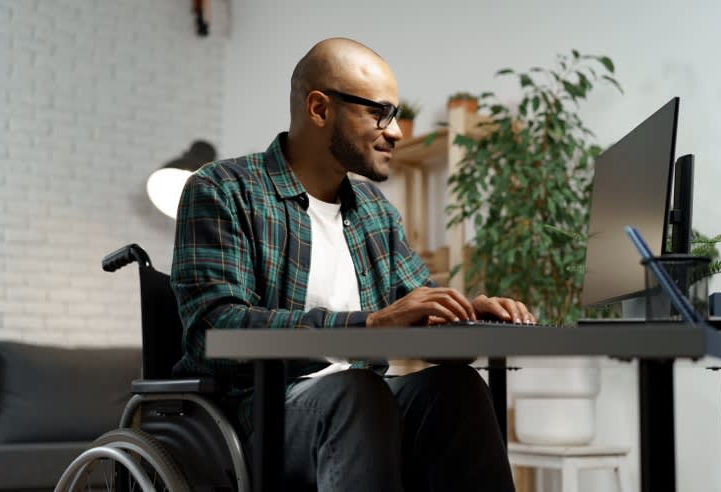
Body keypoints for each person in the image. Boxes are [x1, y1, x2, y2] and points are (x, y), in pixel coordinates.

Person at [171, 37, 536, 492]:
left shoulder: (374, 210)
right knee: (359, 392)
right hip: (255, 415)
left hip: (363, 410)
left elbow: (417, 312)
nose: (397, 131)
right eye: (379, 112)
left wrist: (467, 318)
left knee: (457, 389)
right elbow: (213, 328)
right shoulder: (224, 189)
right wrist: (369, 324)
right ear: (320, 109)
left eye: (397, 115)